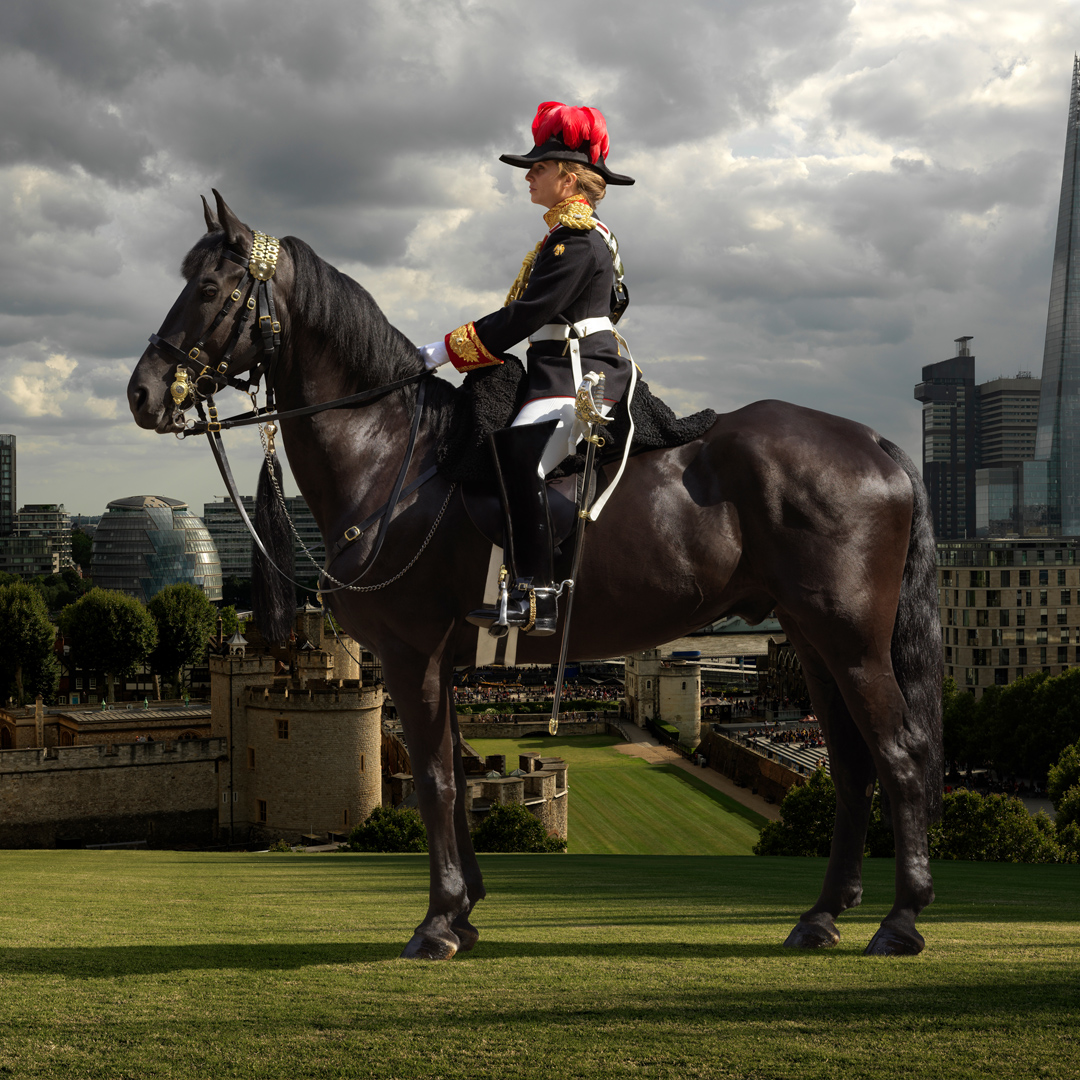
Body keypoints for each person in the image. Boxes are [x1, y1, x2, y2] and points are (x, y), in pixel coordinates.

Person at [419, 102, 635, 636]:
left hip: (577, 376)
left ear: (567, 176)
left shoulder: (578, 239)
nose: (528, 177)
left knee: (520, 458)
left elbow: (525, 315)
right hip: (555, 370)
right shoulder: (569, 236)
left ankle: (538, 595)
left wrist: (444, 350)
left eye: (537, 168)